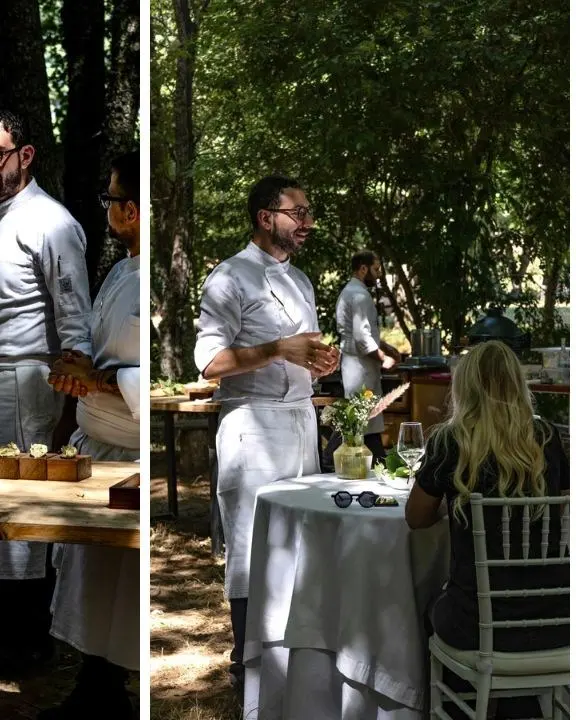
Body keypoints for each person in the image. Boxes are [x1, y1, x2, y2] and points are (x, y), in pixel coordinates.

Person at [194, 175, 339, 690]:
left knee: (304, 542)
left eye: (309, 212)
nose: (308, 223)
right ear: (265, 217)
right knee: (251, 545)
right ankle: (246, 664)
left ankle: (296, 656)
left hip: (300, 422)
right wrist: (278, 349)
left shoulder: (301, 281)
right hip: (252, 429)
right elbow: (210, 362)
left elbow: (302, 351)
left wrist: (319, 361)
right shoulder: (228, 278)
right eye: (297, 212)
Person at [405, 341, 569, 720]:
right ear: (517, 383)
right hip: (553, 619)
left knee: (434, 605)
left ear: (466, 387)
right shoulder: (546, 438)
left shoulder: (450, 440)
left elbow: (416, 517)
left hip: (477, 627)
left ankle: (461, 711)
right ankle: (521, 708)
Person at [43, 150, 140, 719]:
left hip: (125, 453)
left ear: (129, 210)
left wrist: (99, 379)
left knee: (120, 591)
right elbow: (109, 352)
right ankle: (95, 686)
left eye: (110, 199)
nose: (106, 208)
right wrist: (82, 367)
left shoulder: (144, 272)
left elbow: (137, 370)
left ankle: (113, 694)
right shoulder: (122, 267)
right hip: (96, 442)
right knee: (93, 584)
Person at [0, 109, 92, 671]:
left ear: (24, 155)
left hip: (29, 377)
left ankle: (26, 637)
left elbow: (74, 316)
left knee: (24, 505)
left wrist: (71, 395)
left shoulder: (50, 222)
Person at [333, 250, 401, 464]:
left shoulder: (351, 292)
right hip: (360, 368)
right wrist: (384, 358)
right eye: (376, 269)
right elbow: (363, 339)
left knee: (363, 422)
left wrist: (387, 346)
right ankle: (331, 459)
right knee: (359, 421)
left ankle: (378, 464)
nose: (379, 274)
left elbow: (364, 333)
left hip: (357, 365)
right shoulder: (360, 295)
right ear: (363, 268)